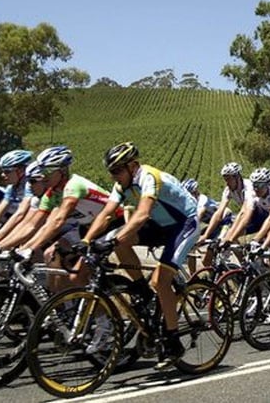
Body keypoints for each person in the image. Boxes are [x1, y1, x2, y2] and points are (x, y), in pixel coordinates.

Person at [81, 142, 201, 370]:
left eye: (117, 171)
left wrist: (112, 240)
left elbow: (142, 213)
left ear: (132, 166)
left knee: (161, 281)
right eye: (111, 172)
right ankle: (141, 290)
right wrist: (86, 241)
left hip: (184, 224)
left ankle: (173, 342)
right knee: (119, 240)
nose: (114, 176)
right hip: (160, 225)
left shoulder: (149, 177)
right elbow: (106, 214)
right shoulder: (122, 185)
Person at [220, 167, 270, 249]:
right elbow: (244, 215)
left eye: (259, 185)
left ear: (268, 184)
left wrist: (255, 240)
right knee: (267, 246)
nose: (256, 188)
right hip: (268, 217)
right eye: (254, 185)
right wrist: (229, 239)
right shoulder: (252, 193)